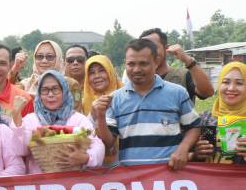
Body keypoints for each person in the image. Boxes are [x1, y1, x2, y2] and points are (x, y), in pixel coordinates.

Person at [95, 39, 200, 169]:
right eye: (131, 64)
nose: (136, 69)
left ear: (156, 62)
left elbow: (194, 127)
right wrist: (100, 116)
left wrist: (183, 149)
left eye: (143, 63)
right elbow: (108, 143)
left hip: (169, 174)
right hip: (131, 177)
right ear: (125, 63)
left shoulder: (178, 93)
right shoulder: (115, 98)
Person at [12, 70, 105, 174]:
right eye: (45, 90)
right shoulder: (30, 120)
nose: (50, 94)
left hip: (72, 181)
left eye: (55, 89)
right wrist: (17, 117)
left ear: (64, 91)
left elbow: (97, 145)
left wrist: (86, 158)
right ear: (39, 94)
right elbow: (20, 150)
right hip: (39, 181)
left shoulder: (78, 119)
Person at [139, 28, 214, 104]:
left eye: (153, 47)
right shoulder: (137, 79)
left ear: (166, 48)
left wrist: (188, 61)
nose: (148, 52)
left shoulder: (183, 76)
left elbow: (207, 92)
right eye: (144, 48)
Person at [192, 61, 246, 165]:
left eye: (239, 83)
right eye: (226, 82)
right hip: (211, 175)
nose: (231, 88)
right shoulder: (206, 118)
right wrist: (196, 154)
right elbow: (184, 156)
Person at [15, 40, 82, 111]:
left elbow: (74, 114)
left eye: (50, 57)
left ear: (58, 59)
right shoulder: (24, 84)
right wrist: (15, 68)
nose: (44, 61)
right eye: (39, 56)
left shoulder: (70, 84)